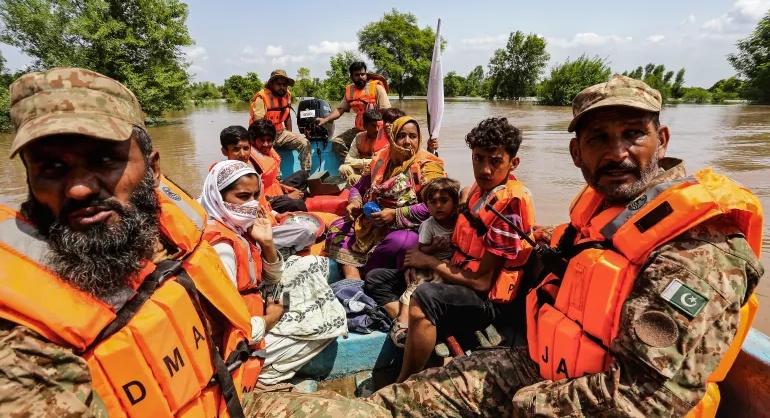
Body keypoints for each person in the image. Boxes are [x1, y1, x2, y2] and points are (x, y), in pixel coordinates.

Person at [246, 76, 766, 418]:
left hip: (575, 395)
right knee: (396, 406)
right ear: (576, 153)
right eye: (598, 139)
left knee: (423, 300)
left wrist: (527, 404)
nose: (617, 152)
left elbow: (651, 399)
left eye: (634, 134)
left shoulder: (699, 249)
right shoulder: (600, 210)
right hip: (542, 363)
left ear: (664, 139)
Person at [0, 67, 260, 417]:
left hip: (231, 399)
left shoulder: (168, 236)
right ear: (30, 179)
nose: (79, 188)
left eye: (105, 159)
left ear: (153, 170)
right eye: (52, 167)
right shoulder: (19, 343)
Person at [367, 117, 536, 383]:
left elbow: (481, 283)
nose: (485, 169)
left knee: (425, 295)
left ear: (512, 163)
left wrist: (430, 262)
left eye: (495, 161)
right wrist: (420, 260)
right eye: (479, 159)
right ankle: (415, 326)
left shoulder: (507, 209)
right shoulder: (477, 192)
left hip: (484, 301)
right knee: (376, 278)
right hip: (456, 274)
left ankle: (403, 381)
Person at [200, 160, 347, 387]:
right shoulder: (221, 249)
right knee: (330, 322)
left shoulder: (237, 227)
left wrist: (267, 243)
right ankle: (263, 375)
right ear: (217, 196)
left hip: (256, 304)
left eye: (254, 196)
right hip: (238, 341)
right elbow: (228, 326)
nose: (250, 205)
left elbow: (269, 278)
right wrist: (270, 319)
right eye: (242, 197)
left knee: (308, 264)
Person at [325, 116, 445, 280]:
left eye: (413, 136)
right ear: (393, 138)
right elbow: (358, 187)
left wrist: (394, 215)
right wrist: (355, 202)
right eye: (401, 136)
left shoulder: (428, 166)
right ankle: (352, 276)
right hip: (371, 222)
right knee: (337, 227)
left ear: (419, 139)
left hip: (408, 226)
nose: (407, 141)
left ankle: (368, 275)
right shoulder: (382, 158)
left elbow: (436, 207)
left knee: (402, 242)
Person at [210, 125, 319, 253]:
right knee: (307, 231)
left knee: (307, 228)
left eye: (246, 148)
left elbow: (261, 204)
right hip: (252, 234)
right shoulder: (222, 178)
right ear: (224, 151)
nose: (242, 154)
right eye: (236, 149)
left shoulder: (250, 175)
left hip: (267, 224)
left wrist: (277, 215)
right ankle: (277, 251)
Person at [389, 177, 461, 348]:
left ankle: (435, 321)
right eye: (433, 202)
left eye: (444, 201)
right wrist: (434, 247)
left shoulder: (460, 220)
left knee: (440, 287)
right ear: (426, 205)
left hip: (449, 265)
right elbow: (420, 249)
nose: (438, 206)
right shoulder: (429, 225)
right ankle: (403, 321)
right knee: (415, 287)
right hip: (428, 263)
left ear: (455, 202)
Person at [315, 61, 391, 160]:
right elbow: (340, 109)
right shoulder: (350, 90)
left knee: (376, 149)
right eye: (357, 75)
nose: (360, 77)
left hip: (376, 129)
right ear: (351, 76)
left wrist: (386, 131)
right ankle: (352, 164)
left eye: (363, 74)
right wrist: (325, 120)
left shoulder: (377, 88)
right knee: (337, 142)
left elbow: (387, 111)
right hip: (359, 129)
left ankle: (374, 165)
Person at [250, 69, 312, 172]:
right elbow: (258, 125)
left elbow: (287, 116)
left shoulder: (287, 95)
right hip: (264, 136)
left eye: (284, 85)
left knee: (305, 143)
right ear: (271, 84)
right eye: (278, 84)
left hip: (280, 133)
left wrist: (290, 135)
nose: (282, 87)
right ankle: (276, 181)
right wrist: (266, 143)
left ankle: (305, 175)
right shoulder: (261, 98)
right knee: (274, 157)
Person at [248, 119, 309, 213]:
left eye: (269, 140)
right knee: (297, 204)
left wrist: (284, 187)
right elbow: (254, 198)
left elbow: (271, 181)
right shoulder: (250, 162)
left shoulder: (269, 153)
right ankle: (294, 203)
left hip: (275, 190)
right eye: (261, 141)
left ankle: (296, 199)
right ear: (253, 140)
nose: (266, 144)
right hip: (266, 201)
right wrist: (286, 197)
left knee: (303, 175)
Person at [338, 109, 387, 186]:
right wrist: (367, 163)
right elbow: (348, 160)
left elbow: (382, 162)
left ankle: (360, 187)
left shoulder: (385, 139)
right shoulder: (359, 137)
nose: (377, 130)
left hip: (377, 173)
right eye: (373, 126)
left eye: (379, 126)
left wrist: (369, 164)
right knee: (343, 168)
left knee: (352, 178)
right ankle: (360, 187)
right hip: (363, 170)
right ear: (365, 126)